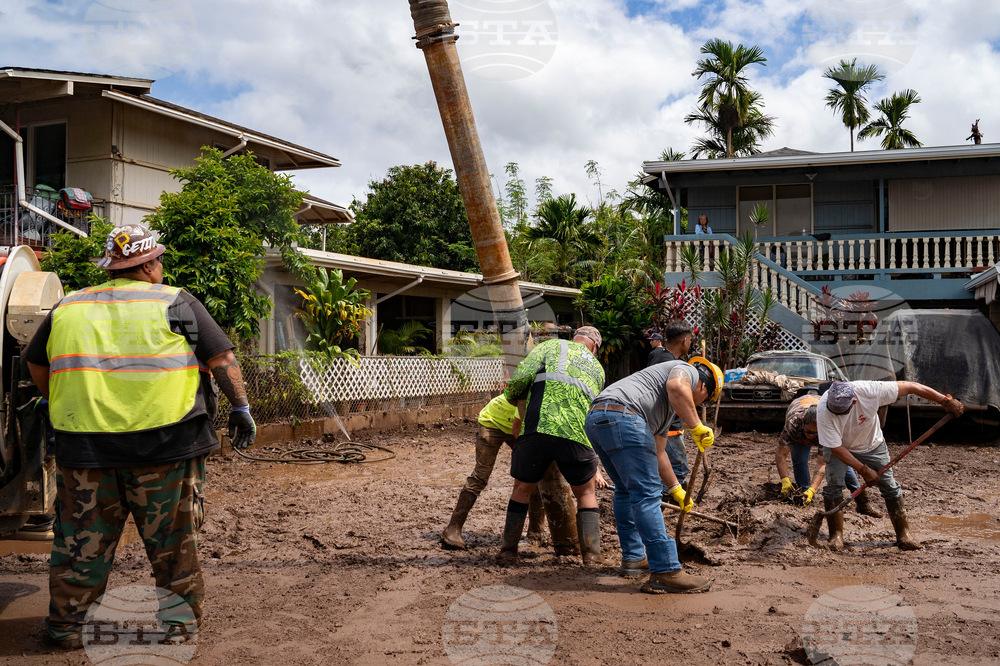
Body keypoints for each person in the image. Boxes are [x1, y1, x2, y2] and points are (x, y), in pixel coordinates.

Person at [25, 224, 257, 648]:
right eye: (160, 260)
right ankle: (178, 628)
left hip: (85, 451)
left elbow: (37, 365)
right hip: (167, 450)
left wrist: (59, 400)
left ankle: (66, 628)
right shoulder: (177, 301)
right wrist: (240, 408)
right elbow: (221, 357)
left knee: (80, 547)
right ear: (148, 264)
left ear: (112, 267)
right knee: (173, 548)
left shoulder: (68, 306)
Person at [585, 356, 722, 594]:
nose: (701, 406)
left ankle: (635, 558)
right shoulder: (688, 372)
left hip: (598, 418)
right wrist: (697, 426)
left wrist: (675, 489)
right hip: (625, 418)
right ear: (703, 387)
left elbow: (659, 452)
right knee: (646, 496)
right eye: (705, 401)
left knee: (626, 491)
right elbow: (678, 388)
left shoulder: (661, 409)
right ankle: (666, 570)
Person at [497, 327, 605, 566]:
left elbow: (518, 380)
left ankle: (508, 552)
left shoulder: (549, 347)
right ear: (594, 347)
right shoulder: (598, 368)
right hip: (576, 434)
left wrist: (514, 396)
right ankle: (592, 556)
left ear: (574, 338)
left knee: (522, 489)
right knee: (586, 493)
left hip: (538, 428)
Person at [817, 381, 964, 551]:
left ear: (854, 402)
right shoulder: (824, 409)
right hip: (840, 447)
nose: (837, 415)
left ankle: (904, 534)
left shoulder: (870, 391)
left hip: (871, 444)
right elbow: (836, 448)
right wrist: (863, 470)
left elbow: (911, 387)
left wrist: (944, 401)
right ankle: (836, 536)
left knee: (889, 486)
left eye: (841, 411)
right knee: (834, 486)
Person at [440, 394, 578, 554]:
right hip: (493, 421)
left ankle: (535, 532)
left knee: (535, 474)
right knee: (480, 477)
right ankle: (452, 529)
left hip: (516, 425)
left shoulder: (552, 402)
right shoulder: (531, 396)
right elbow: (518, 430)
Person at [775, 394, 881, 517]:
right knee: (799, 460)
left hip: (824, 430)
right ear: (803, 422)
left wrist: (813, 489)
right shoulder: (793, 424)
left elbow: (822, 463)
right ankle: (803, 497)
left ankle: (863, 502)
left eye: (815, 434)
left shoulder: (827, 428)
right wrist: (785, 480)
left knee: (841, 463)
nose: (812, 437)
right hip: (799, 432)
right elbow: (781, 454)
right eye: (809, 432)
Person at [647, 321, 694, 490]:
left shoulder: (656, 355)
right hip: (667, 425)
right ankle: (669, 500)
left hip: (654, 421)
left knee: (659, 463)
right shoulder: (674, 365)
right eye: (690, 340)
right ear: (684, 341)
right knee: (679, 468)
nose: (690, 343)